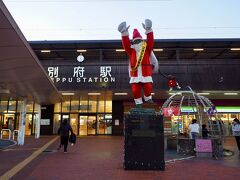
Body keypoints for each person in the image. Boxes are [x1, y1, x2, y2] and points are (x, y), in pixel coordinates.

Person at [118, 19, 159, 108]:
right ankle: (139, 103)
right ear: (133, 42)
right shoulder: (131, 50)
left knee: (148, 86)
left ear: (142, 41)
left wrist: (148, 30)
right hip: (135, 74)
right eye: (135, 41)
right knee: (135, 89)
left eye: (139, 41)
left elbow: (151, 40)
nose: (137, 43)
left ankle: (148, 98)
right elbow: (125, 44)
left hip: (146, 72)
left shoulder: (147, 48)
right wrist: (124, 33)